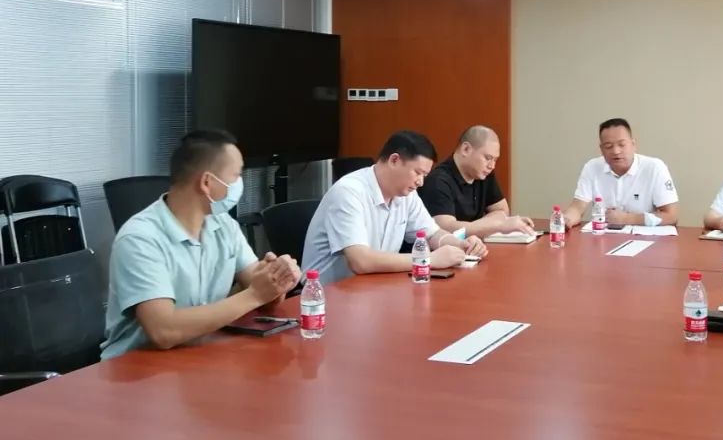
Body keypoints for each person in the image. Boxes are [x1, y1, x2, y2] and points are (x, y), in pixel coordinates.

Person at [101, 130, 301, 359]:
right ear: (207, 182)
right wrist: (255, 294)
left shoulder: (224, 225)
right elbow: (163, 331)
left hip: (199, 356)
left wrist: (276, 279)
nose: (239, 184)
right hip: (136, 368)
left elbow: (264, 299)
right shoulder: (140, 238)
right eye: (236, 175)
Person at [303, 130, 487, 283]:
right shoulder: (349, 192)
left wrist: (461, 245)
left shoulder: (406, 194)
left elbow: (431, 234)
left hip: (373, 287)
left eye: (424, 175)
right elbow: (360, 261)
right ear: (394, 160)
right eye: (418, 173)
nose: (421, 182)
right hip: (326, 297)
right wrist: (428, 260)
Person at [418, 125, 534, 237]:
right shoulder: (437, 181)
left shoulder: (484, 173)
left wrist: (481, 227)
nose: (492, 166)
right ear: (466, 149)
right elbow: (446, 229)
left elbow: (502, 210)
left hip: (476, 245)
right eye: (488, 158)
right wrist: (497, 226)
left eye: (495, 160)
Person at [562, 118, 679, 228]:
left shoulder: (654, 168)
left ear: (633, 145)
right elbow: (577, 208)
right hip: (603, 238)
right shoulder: (592, 167)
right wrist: (565, 220)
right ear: (601, 149)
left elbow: (671, 216)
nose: (616, 151)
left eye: (622, 145)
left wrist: (628, 219)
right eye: (608, 146)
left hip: (644, 238)